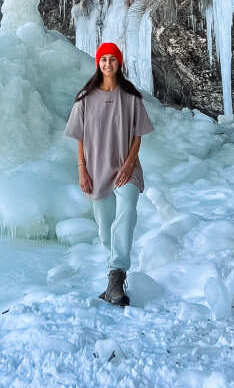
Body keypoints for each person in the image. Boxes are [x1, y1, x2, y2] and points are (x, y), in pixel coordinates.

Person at [64, 42, 154, 306]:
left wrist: (129, 164)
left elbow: (138, 134)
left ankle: (117, 275)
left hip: (127, 169)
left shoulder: (131, 97)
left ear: (119, 63)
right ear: (98, 64)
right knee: (105, 231)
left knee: (126, 215)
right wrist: (82, 170)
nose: (107, 64)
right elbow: (78, 138)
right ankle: (113, 279)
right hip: (97, 170)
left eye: (112, 59)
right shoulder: (84, 99)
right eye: (103, 59)